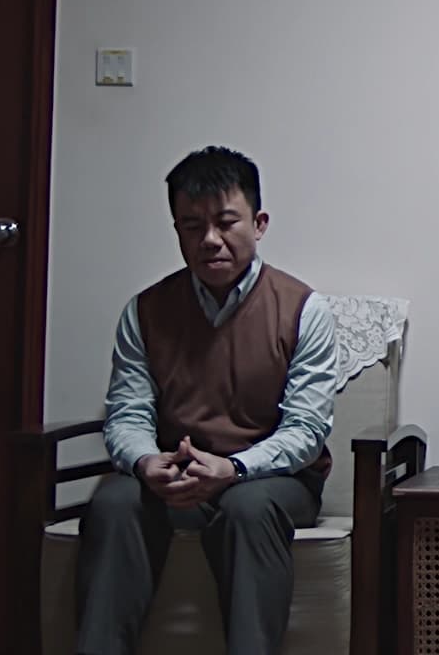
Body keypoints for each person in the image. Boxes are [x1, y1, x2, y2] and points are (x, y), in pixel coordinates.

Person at [75, 146, 336, 655]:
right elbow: (128, 413)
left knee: (248, 508)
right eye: (192, 226)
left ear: (259, 224)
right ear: (176, 230)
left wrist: (234, 468)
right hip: (176, 474)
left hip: (270, 482)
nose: (210, 240)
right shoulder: (145, 311)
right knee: (113, 501)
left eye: (226, 222)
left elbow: (305, 432)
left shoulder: (304, 310)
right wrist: (146, 462)